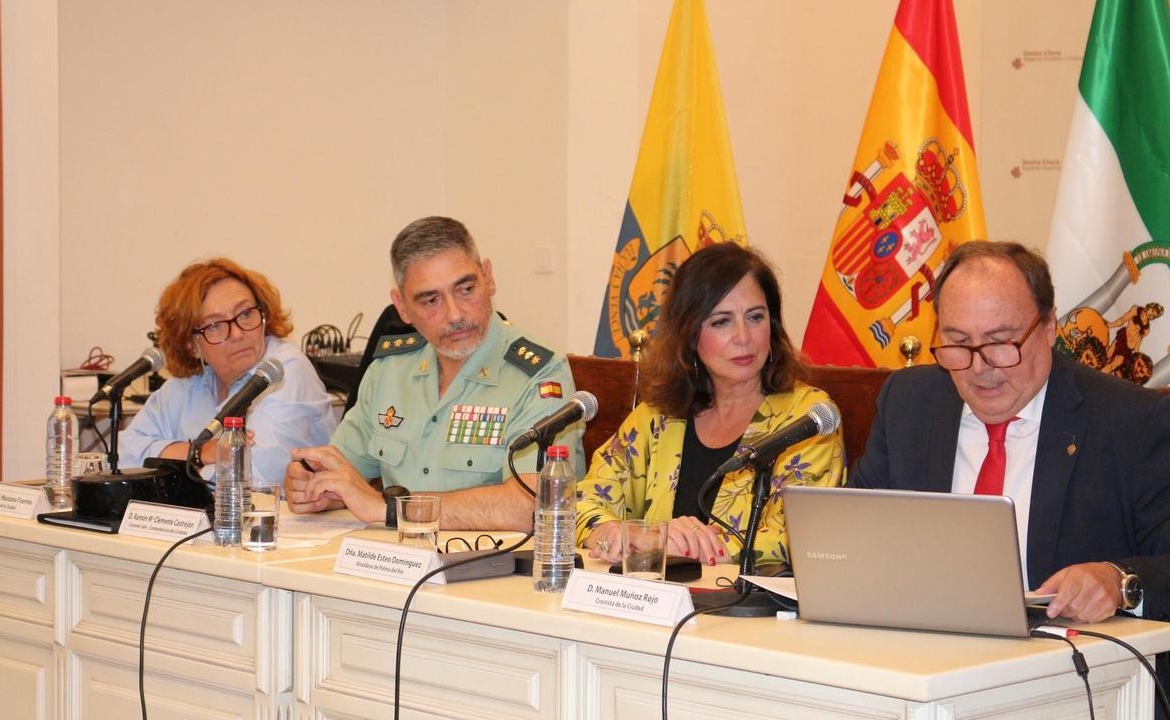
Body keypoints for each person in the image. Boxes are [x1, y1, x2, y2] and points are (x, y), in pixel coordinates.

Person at [853, 241, 1170, 720]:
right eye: (957, 342)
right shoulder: (909, 402)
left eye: (1001, 341)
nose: (980, 366)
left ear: (1049, 326)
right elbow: (854, 534)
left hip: (1068, 694)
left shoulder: (1131, 422)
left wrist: (1118, 579)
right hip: (918, 680)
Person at [285, 216, 584, 531]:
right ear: (402, 307)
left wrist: (391, 509)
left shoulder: (539, 374)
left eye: (466, 289)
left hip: (486, 568)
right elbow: (341, 472)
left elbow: (533, 506)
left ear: (489, 278)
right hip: (392, 561)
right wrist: (314, 487)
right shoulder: (390, 370)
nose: (455, 314)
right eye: (431, 300)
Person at [575, 242, 846, 567]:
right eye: (721, 322)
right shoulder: (656, 417)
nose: (743, 337)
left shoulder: (807, 419)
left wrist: (662, 542)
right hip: (650, 605)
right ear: (688, 334)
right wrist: (614, 533)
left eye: (756, 317)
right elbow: (582, 499)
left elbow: (795, 539)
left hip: (751, 612)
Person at [118, 258, 337, 484]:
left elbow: (244, 478)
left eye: (245, 314)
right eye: (215, 325)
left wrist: (168, 467)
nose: (237, 334)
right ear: (192, 345)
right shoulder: (190, 385)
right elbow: (122, 457)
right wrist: (198, 453)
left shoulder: (284, 370)